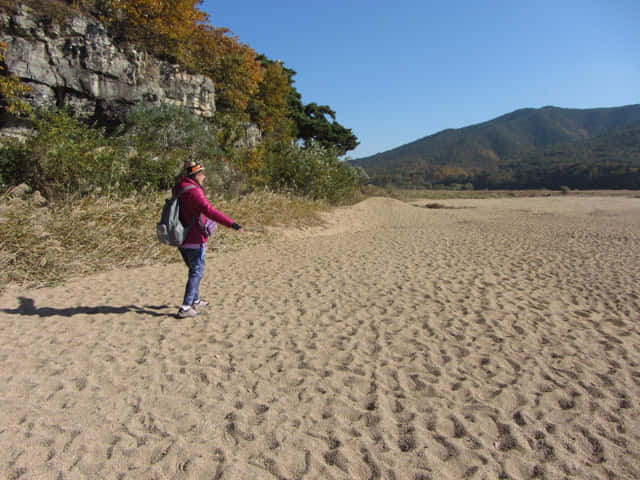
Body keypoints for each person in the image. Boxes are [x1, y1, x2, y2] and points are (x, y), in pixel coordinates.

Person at [173, 159, 243, 318]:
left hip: (180, 236)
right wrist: (232, 224)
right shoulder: (194, 191)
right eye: (202, 173)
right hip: (194, 237)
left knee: (193, 270)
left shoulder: (178, 188)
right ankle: (186, 306)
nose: (204, 176)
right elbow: (210, 210)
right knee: (196, 272)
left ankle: (196, 300)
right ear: (195, 175)